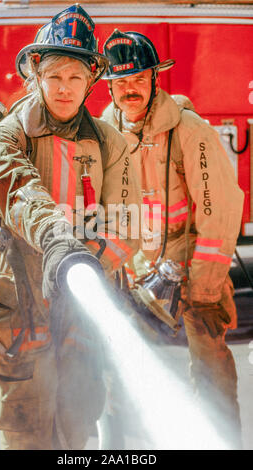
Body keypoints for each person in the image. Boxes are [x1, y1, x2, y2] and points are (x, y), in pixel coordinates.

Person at [0, 7, 140, 450]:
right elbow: (20, 190)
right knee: (28, 428)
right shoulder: (6, 137)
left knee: (77, 422)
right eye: (56, 76)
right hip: (20, 297)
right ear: (36, 74)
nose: (65, 88)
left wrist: (88, 266)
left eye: (76, 78)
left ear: (90, 82)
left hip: (83, 296)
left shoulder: (109, 142)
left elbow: (128, 220)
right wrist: (59, 242)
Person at [100, 29, 244, 449]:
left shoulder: (190, 131)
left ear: (154, 80)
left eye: (139, 79)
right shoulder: (104, 133)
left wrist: (203, 287)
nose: (130, 88)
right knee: (115, 367)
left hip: (192, 263)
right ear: (109, 85)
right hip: (135, 268)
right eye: (121, 81)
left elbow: (220, 211)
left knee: (211, 365)